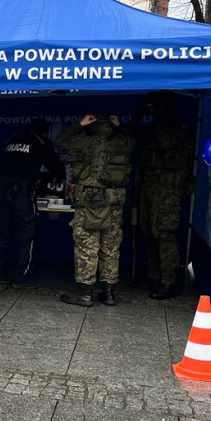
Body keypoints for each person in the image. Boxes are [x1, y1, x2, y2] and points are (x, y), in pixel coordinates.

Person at [55, 110, 135, 306]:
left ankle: (85, 293)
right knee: (111, 247)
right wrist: (119, 127)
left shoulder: (88, 143)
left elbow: (60, 140)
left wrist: (79, 124)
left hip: (90, 202)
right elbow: (133, 139)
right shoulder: (124, 143)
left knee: (87, 246)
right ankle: (108, 293)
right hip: (114, 203)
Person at [0, 117, 64, 287]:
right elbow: (57, 168)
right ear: (44, 131)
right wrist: (43, 178)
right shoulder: (40, 141)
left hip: (2, 192)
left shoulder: (12, 139)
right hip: (23, 194)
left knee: (1, 235)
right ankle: (19, 278)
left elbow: (1, 162)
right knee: (25, 236)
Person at [134, 92, 196, 299]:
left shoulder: (178, 127)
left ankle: (169, 281)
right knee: (150, 231)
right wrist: (140, 112)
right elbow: (131, 134)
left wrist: (159, 116)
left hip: (169, 188)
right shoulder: (155, 126)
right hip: (150, 186)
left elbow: (165, 143)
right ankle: (154, 276)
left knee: (164, 233)